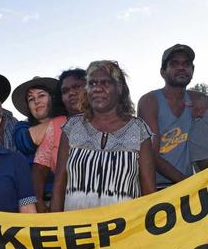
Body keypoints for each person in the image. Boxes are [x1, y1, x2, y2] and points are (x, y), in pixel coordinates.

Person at [51, 60, 155, 211]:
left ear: (119, 88)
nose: (97, 89)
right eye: (92, 84)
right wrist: (56, 227)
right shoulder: (72, 128)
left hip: (125, 229)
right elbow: (59, 187)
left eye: (105, 83)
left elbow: (149, 192)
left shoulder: (139, 130)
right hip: (76, 229)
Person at [138, 44, 208, 188]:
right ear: (163, 72)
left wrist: (207, 100)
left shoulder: (199, 100)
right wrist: (187, 182)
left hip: (188, 187)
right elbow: (151, 155)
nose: (182, 68)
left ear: (193, 70)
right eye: (174, 64)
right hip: (156, 188)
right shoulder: (150, 101)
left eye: (186, 64)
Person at [12, 77, 66, 212]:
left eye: (41, 95)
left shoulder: (72, 125)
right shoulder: (21, 127)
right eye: (31, 99)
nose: (36, 101)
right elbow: (26, 142)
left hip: (68, 199)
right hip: (31, 203)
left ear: (53, 98)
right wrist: (62, 121)